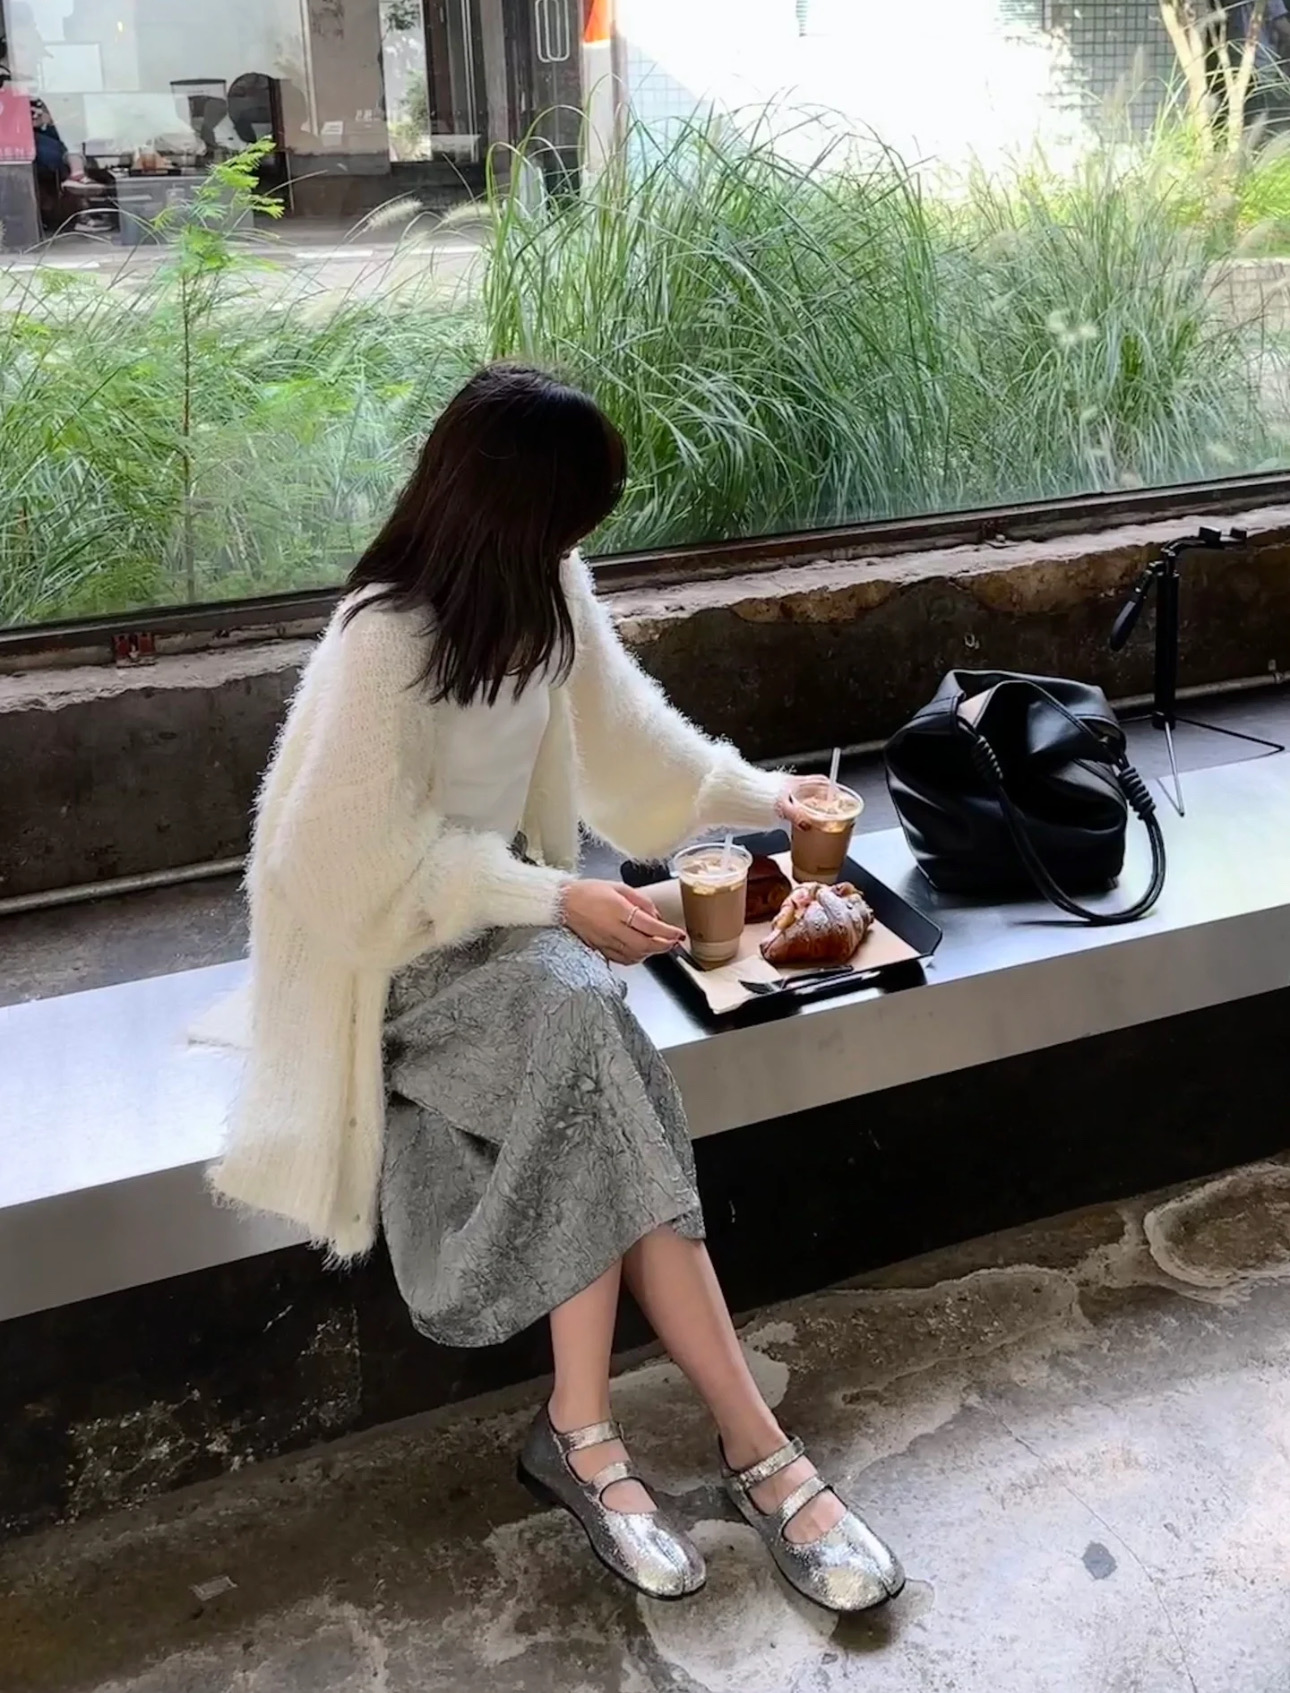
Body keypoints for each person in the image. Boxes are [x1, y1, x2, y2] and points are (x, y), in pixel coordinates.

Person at [205, 364, 905, 1612]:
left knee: (578, 1031)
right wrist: (552, 896)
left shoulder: (545, 589)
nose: (586, 537)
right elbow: (333, 865)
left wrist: (769, 796)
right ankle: (757, 1454)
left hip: (519, 935)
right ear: (513, 506)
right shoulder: (387, 636)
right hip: (391, 963)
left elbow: (632, 741)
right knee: (583, 1024)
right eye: (575, 513)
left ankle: (587, 1438)